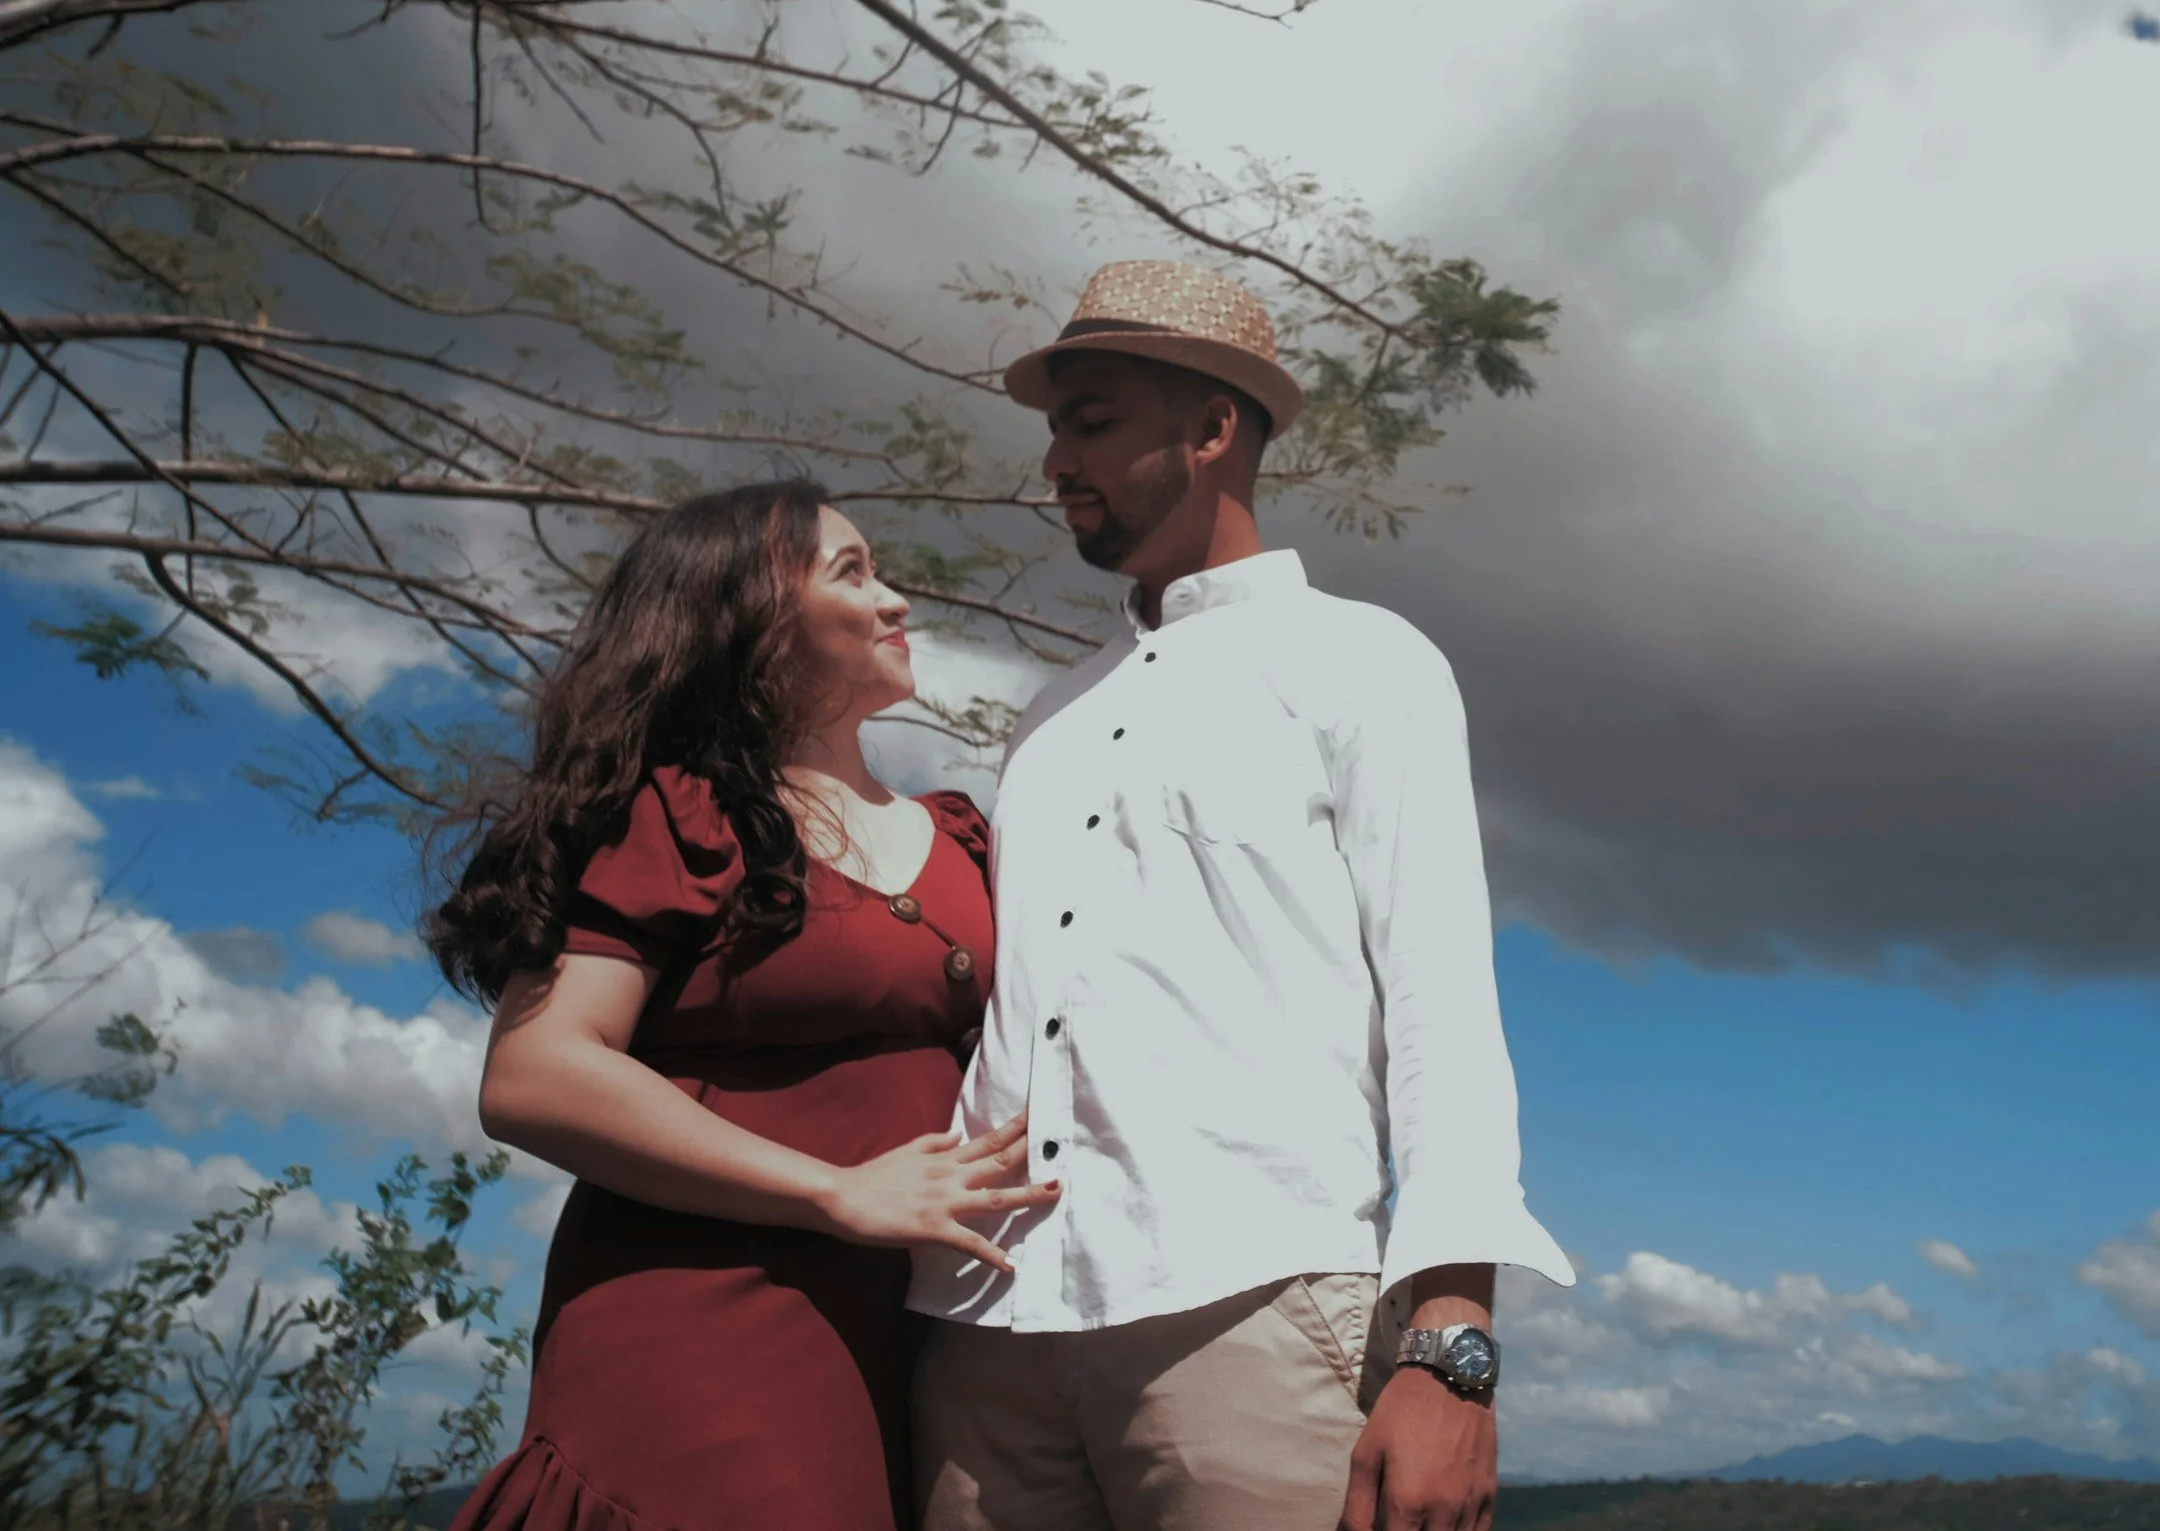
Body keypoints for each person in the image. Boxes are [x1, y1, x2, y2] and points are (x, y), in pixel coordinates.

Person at [909, 260, 1576, 1531]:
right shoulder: (1043, 722)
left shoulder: (1363, 664)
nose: (1055, 461)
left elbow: (1439, 1000)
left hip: (1250, 1304)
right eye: (1053, 429)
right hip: (989, 1329)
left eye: (1091, 421)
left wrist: (1451, 1337)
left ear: (1213, 428)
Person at [428, 481, 1060, 1531]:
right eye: (851, 573)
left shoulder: (963, 839)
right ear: (752, 618)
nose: (897, 599)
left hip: (919, 1334)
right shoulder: (679, 814)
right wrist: (832, 1190)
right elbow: (534, 1073)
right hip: (705, 1319)